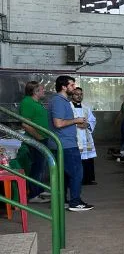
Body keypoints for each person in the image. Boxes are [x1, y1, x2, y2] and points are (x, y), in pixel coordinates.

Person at [49, 75, 92, 211]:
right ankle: (75, 202)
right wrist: (76, 120)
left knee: (65, 175)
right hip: (65, 144)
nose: (74, 88)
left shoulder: (62, 100)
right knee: (76, 173)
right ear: (64, 87)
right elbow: (58, 123)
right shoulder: (59, 101)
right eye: (72, 85)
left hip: (64, 142)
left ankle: (63, 200)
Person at [19, 81, 51, 203]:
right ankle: (33, 194)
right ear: (35, 91)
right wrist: (38, 136)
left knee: (41, 165)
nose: (44, 91)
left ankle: (40, 189)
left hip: (42, 137)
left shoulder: (38, 102)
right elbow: (25, 124)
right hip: (36, 139)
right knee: (37, 166)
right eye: (42, 89)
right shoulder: (27, 102)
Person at [71, 88, 98, 186]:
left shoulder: (86, 107)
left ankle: (88, 179)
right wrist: (76, 125)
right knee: (77, 159)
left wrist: (87, 125)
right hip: (76, 135)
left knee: (88, 158)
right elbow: (65, 121)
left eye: (81, 94)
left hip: (86, 136)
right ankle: (77, 180)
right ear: (72, 95)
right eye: (76, 94)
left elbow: (92, 120)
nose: (79, 96)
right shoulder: (68, 107)